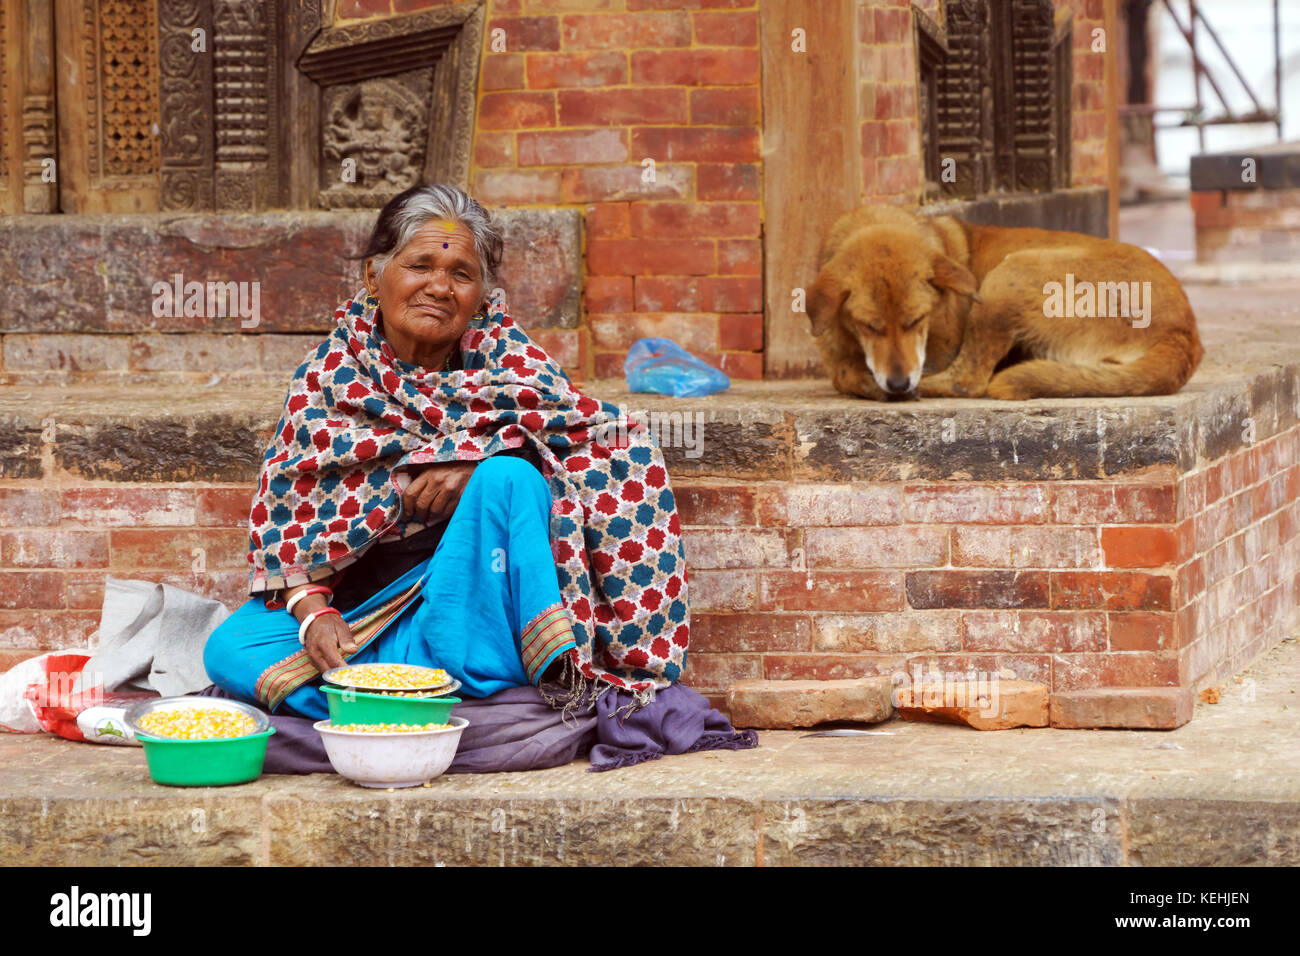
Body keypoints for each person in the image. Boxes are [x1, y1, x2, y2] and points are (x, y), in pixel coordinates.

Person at [201, 183, 756, 771]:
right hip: (379, 619)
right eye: (420, 265)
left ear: (482, 293)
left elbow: (612, 443)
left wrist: (483, 459)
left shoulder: (509, 364)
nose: (440, 287)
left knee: (509, 481)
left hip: (475, 607)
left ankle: (438, 688)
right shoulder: (328, 379)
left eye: (461, 273)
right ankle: (433, 696)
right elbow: (292, 521)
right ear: (373, 276)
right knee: (229, 649)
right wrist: (316, 613)